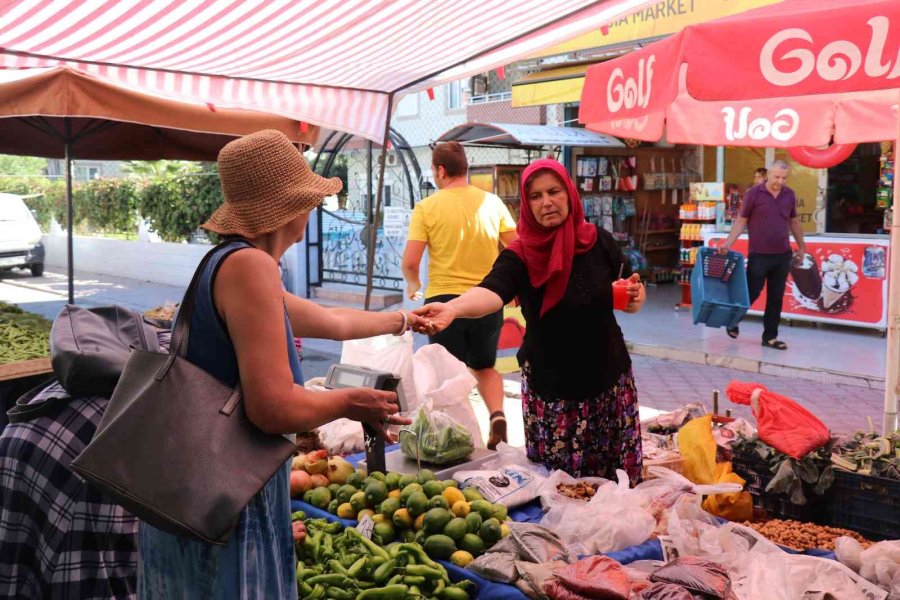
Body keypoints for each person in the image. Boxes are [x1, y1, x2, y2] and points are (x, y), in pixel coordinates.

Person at [137, 130, 423, 599]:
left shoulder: (231, 262)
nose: (313, 209)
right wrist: (350, 402)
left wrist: (406, 319)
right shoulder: (249, 268)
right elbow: (271, 408)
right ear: (291, 208)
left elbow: (332, 321)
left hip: (205, 490)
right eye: (309, 200)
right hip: (227, 493)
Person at [414, 158, 646, 482]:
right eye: (536, 196)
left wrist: (636, 297)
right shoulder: (521, 254)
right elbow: (491, 292)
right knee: (563, 489)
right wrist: (453, 308)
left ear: (569, 193)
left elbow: (630, 291)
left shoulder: (598, 241)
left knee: (617, 484)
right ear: (526, 203)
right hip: (553, 394)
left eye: (554, 191)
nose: (546, 202)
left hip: (609, 383)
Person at [401, 141, 517, 449]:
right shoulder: (492, 202)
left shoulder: (427, 207)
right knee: (485, 366)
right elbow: (517, 246)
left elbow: (410, 261)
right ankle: (497, 415)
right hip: (486, 298)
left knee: (449, 375)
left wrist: (413, 284)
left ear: (441, 170)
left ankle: (461, 437)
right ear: (465, 168)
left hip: (443, 304)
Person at [719, 159, 806, 350]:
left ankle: (770, 337)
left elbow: (794, 222)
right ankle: (733, 320)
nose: (780, 181)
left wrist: (801, 247)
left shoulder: (789, 195)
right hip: (759, 253)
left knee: (776, 297)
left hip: (782, 254)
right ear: (768, 174)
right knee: (752, 291)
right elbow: (742, 220)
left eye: (784, 178)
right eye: (777, 177)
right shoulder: (754, 194)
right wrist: (727, 243)